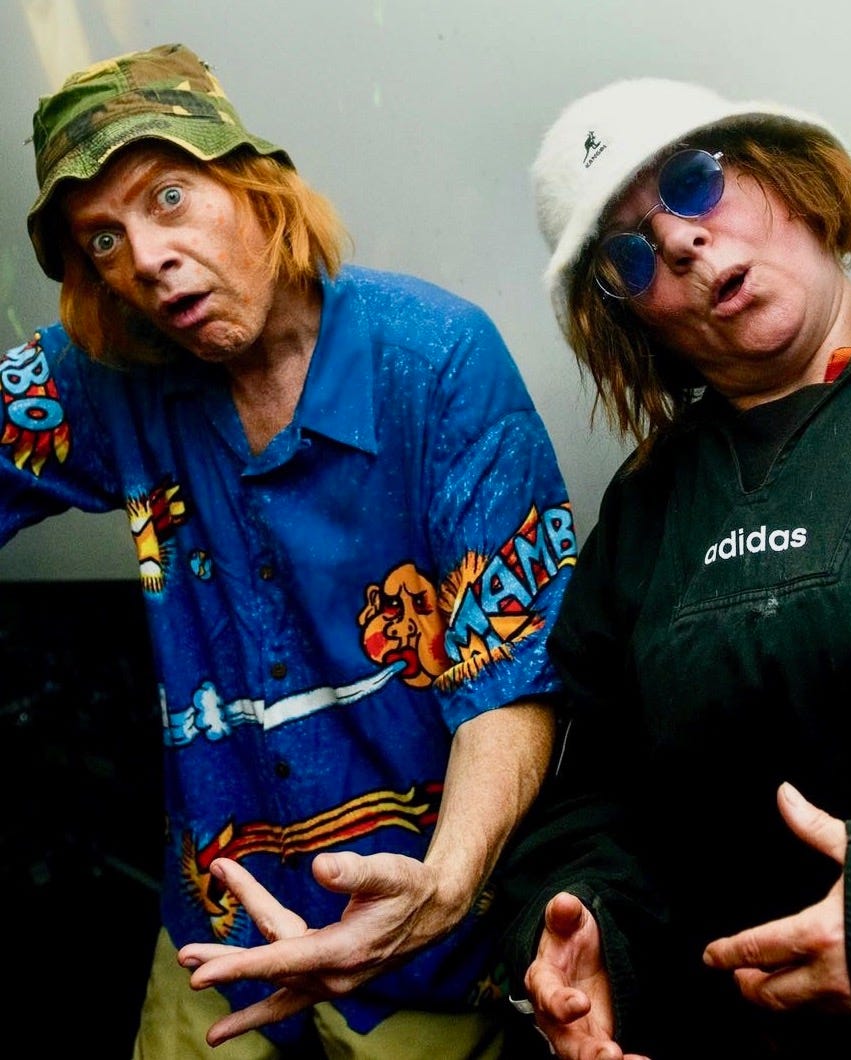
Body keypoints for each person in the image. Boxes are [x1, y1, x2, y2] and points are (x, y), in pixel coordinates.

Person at [0, 43, 578, 1059]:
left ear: (256, 186)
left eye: (169, 196)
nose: (145, 258)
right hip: (212, 938)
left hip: (416, 950)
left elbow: (512, 672)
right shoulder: (107, 381)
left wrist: (444, 887)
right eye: (104, 240)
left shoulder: (435, 358)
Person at [496, 76, 851, 1059]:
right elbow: (603, 796)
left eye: (694, 182)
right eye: (630, 255)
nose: (680, 241)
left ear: (790, 177)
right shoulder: (648, 511)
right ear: (635, 321)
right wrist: (586, 933)